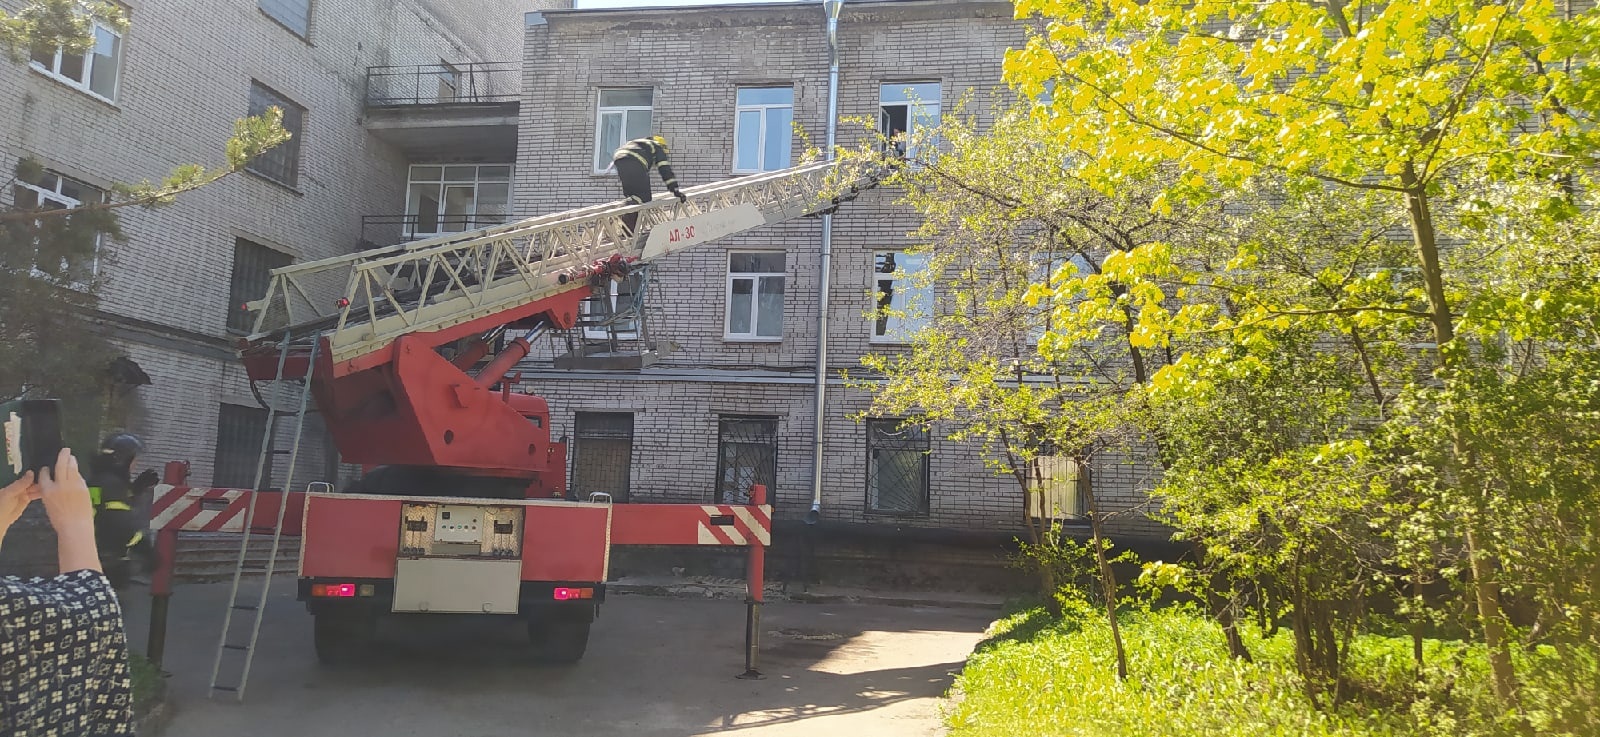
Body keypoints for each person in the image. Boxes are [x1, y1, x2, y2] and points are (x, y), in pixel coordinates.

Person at [0, 448, 136, 736]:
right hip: (95, 561)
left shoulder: (115, 481)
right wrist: (76, 524)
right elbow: (89, 617)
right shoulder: (108, 483)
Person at [86, 433, 158, 589]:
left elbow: (105, 508)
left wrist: (135, 488)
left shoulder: (101, 479)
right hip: (109, 563)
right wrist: (145, 550)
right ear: (122, 460)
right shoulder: (112, 484)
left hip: (94, 555)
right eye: (133, 460)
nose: (135, 464)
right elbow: (119, 524)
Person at [612, 134, 686, 235]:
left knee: (634, 197)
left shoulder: (642, 143)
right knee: (645, 197)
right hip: (634, 161)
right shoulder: (658, 147)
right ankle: (624, 215)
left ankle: (628, 230)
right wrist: (675, 191)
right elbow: (665, 170)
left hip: (619, 158)